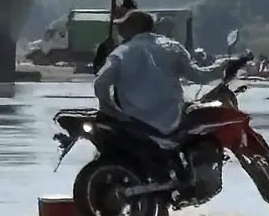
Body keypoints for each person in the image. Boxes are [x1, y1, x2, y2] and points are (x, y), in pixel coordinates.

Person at [92, 9, 239, 135]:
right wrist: (223, 65)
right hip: (171, 122)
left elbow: (100, 83)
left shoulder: (121, 53)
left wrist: (110, 110)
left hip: (133, 123)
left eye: (123, 26)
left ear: (132, 27)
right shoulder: (172, 47)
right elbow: (200, 76)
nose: (119, 30)